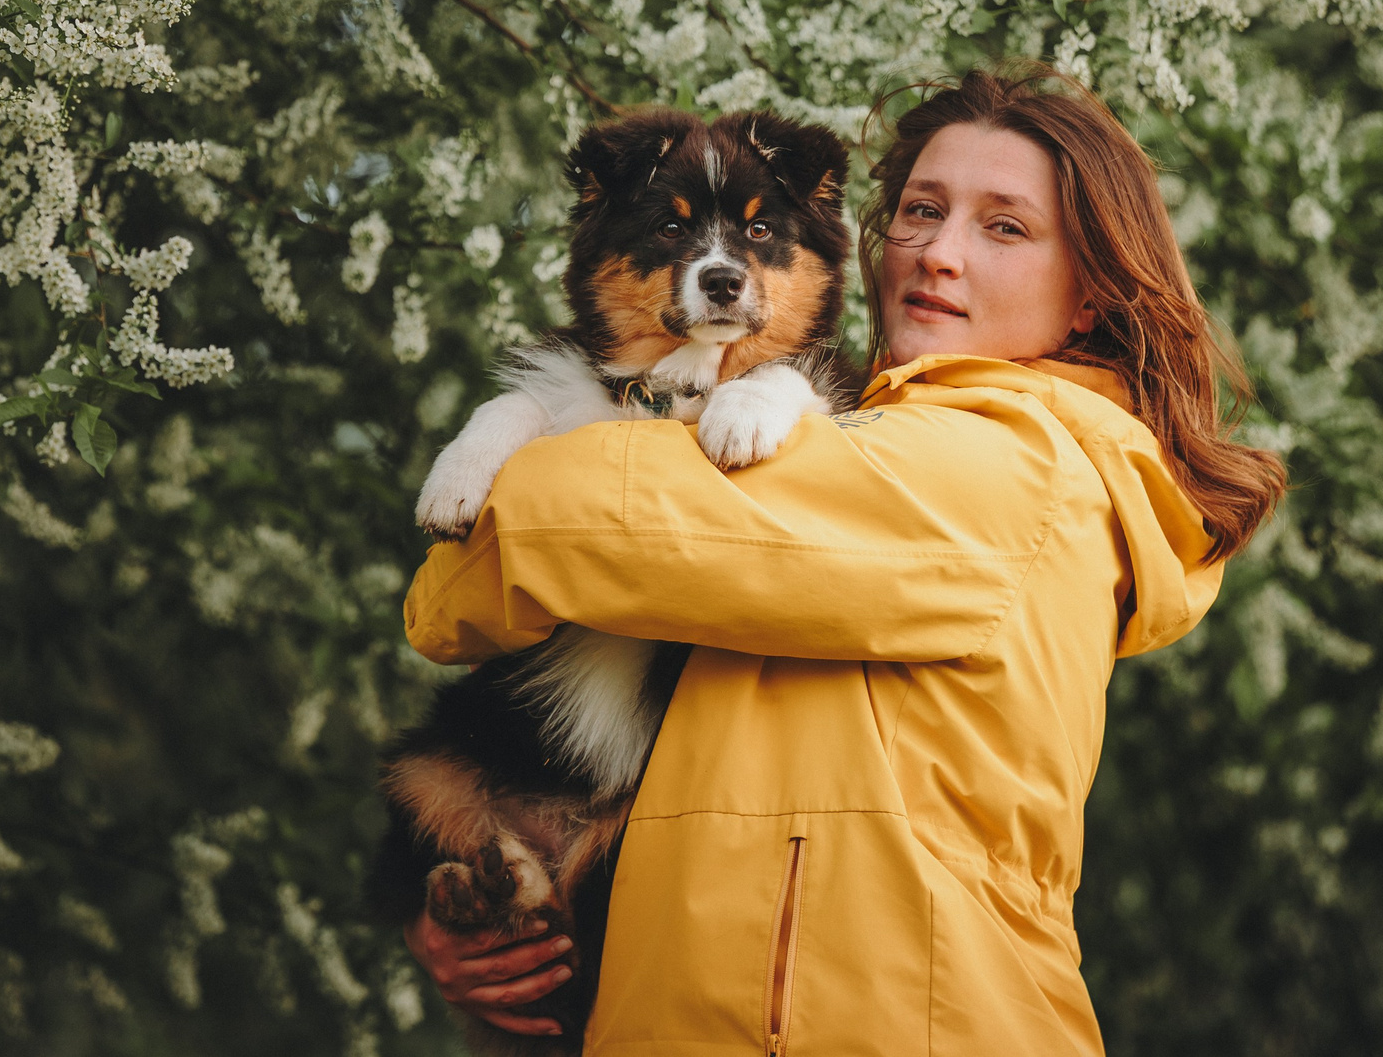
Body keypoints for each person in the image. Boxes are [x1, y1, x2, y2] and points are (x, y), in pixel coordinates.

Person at [398, 63, 1287, 1054]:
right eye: (920, 209)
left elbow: (591, 531)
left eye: (1003, 226)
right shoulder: (872, 436)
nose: (941, 252)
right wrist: (487, 915)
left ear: (1087, 296)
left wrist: (478, 538)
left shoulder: (1016, 458)